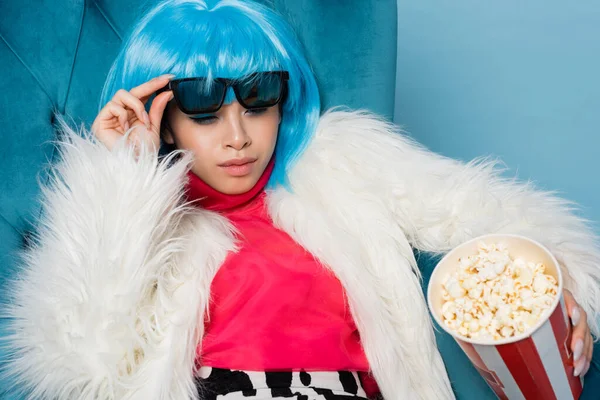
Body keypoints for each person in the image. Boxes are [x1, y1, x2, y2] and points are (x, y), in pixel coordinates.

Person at [1, 0, 598, 399]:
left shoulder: (342, 165)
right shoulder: (141, 220)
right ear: (163, 120)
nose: (237, 136)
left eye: (258, 100)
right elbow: (82, 357)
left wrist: (559, 287)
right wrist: (119, 178)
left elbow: (480, 210)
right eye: (204, 109)